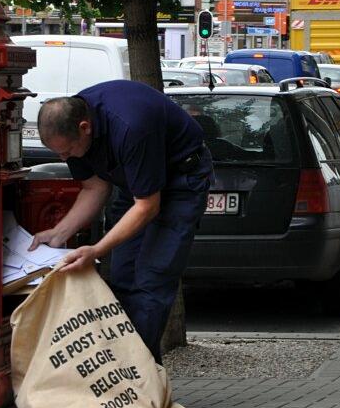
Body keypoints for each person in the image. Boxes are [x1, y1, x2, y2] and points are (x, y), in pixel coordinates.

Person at [28, 80, 213, 364]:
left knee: (151, 279)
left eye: (67, 151)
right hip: (134, 184)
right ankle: (138, 374)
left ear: (84, 127)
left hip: (181, 181)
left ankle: (136, 377)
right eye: (59, 154)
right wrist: (58, 233)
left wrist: (96, 250)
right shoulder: (73, 127)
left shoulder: (131, 126)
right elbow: (94, 187)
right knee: (124, 278)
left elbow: (147, 206)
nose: (64, 158)